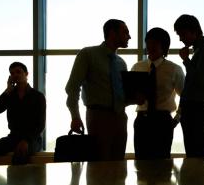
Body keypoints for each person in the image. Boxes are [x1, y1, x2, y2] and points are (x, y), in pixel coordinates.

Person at [65, 19, 131, 161]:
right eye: (125, 32)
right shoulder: (88, 54)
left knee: (118, 165)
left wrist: (134, 99)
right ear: (112, 33)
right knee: (99, 166)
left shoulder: (121, 63)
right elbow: (73, 87)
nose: (129, 36)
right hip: (98, 117)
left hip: (120, 118)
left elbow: (120, 95)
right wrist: (75, 116)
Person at [173, 14, 204, 157]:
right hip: (195, 108)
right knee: (195, 153)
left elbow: (201, 80)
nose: (181, 39)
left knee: (196, 154)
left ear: (193, 31)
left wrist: (186, 60)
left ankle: (197, 179)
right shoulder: (203, 49)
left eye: (182, 34)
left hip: (196, 109)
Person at [131, 27, 184, 160]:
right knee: (141, 164)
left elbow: (185, 96)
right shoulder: (137, 67)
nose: (150, 46)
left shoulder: (174, 69)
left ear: (164, 46)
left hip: (163, 121)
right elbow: (129, 94)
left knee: (162, 165)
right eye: (148, 42)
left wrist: (177, 119)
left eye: (155, 43)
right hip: (142, 120)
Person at [0, 62, 46, 166]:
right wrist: (7, 90)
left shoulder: (37, 96)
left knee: (20, 155)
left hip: (33, 139)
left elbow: (40, 125)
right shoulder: (10, 95)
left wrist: (26, 140)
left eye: (18, 72)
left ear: (26, 74)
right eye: (12, 73)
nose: (15, 75)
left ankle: (17, 182)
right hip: (13, 137)